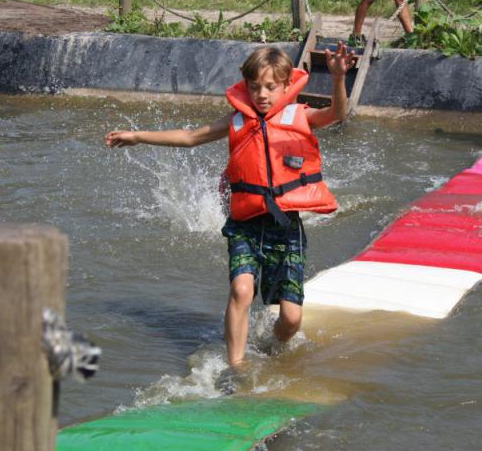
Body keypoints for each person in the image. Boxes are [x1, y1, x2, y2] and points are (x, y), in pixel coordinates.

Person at [105, 44, 357, 367]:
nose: (262, 95)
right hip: (245, 225)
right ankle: (235, 369)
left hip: (284, 226)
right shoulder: (239, 120)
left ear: (285, 86)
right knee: (241, 290)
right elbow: (191, 137)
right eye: (255, 87)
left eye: (270, 87)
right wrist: (138, 136)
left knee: (291, 320)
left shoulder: (299, 115)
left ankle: (268, 346)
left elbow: (336, 114)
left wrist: (337, 78)